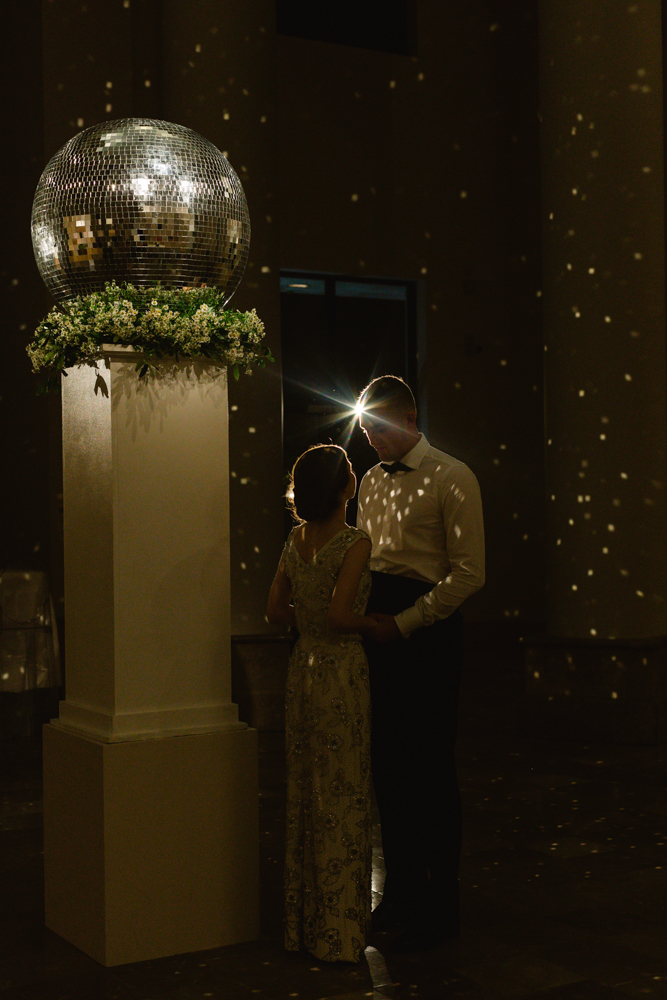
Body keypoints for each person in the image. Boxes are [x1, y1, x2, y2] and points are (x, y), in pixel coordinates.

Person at [356, 375, 485, 952]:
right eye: (363, 431)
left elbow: (469, 573)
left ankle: (442, 901)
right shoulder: (369, 481)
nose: (371, 441)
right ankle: (402, 891)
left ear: (409, 417)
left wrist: (405, 622)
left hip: (427, 632)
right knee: (388, 765)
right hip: (377, 625)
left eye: (379, 429)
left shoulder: (454, 477)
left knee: (430, 769)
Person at [267, 444, 378, 963]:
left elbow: (273, 610)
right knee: (344, 792)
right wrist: (377, 627)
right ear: (342, 489)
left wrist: (304, 622)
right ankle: (340, 934)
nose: (356, 474)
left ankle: (304, 927)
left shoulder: (296, 538)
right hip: (339, 671)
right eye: (350, 471)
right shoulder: (354, 542)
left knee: (307, 790)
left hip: (302, 670)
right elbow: (340, 615)